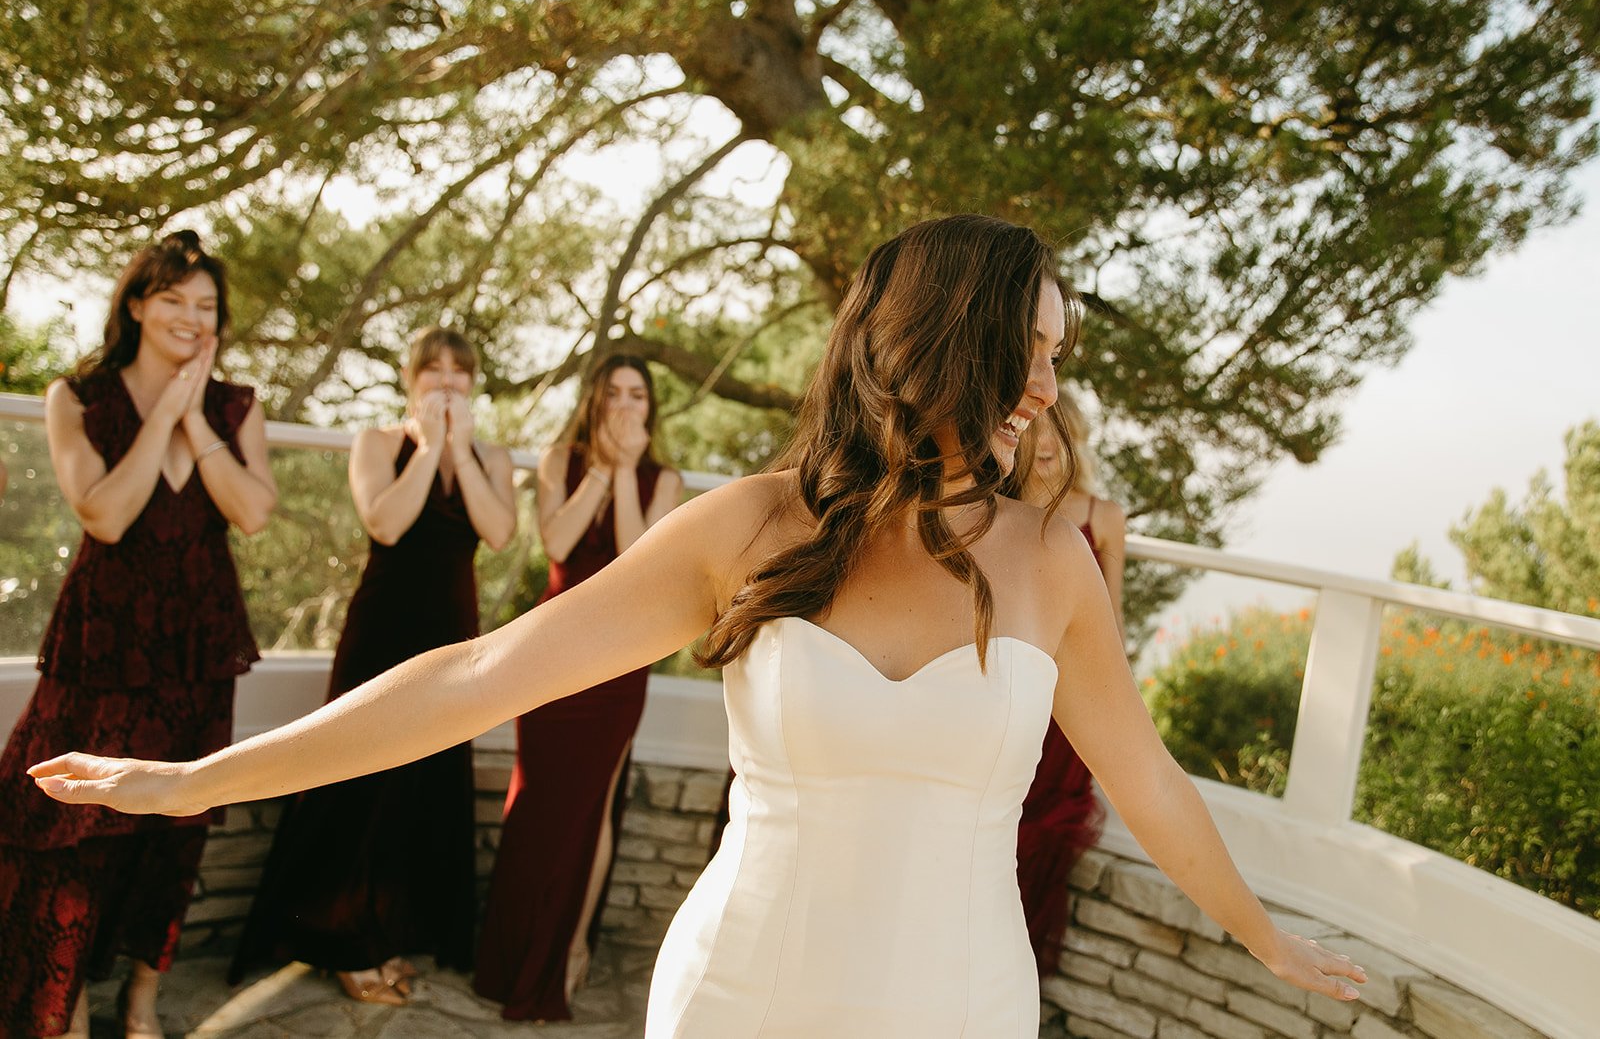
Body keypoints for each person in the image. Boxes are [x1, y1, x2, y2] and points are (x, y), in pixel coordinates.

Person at [32, 215, 1365, 1038]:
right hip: (745, 993)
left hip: (959, 1005)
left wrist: (1266, 937)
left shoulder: (1052, 558)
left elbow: (1147, 776)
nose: (1050, 382)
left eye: (1059, 352)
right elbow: (476, 671)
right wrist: (197, 777)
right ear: (938, 342)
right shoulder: (751, 526)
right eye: (1035, 345)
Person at [1, 230, 276, 1039]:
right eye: (173, 300)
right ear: (135, 303)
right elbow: (107, 514)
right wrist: (164, 418)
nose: (192, 317)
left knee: (174, 833)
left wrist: (198, 419)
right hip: (103, 640)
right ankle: (66, 1003)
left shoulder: (237, 406)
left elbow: (254, 512)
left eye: (206, 305)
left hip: (198, 641)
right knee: (72, 820)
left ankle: (143, 1002)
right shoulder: (77, 396)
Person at [228, 328, 516, 1004]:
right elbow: (385, 522)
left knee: (424, 780)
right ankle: (337, 940)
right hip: (384, 628)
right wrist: (428, 449)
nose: (446, 380)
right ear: (410, 377)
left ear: (473, 382)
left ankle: (386, 930)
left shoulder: (491, 455)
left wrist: (460, 455)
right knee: (357, 776)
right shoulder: (377, 442)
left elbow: (500, 533)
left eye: (459, 370)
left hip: (452, 636)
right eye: (432, 369)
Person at [474, 354, 683, 1022]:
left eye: (638, 396)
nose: (626, 407)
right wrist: (599, 465)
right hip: (555, 647)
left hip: (620, 658)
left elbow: (635, 563)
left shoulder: (665, 477)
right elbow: (559, 541)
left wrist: (626, 470)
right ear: (594, 401)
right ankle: (506, 956)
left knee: (594, 806)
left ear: (652, 409)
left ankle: (567, 950)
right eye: (614, 394)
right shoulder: (560, 460)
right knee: (534, 797)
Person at [1010, 394, 1128, 975]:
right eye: (1039, 432)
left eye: (1063, 435)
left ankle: (1017, 970)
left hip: (1070, 697)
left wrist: (1115, 702)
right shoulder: (1001, 511)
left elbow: (1115, 619)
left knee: (1040, 830)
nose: (1050, 446)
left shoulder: (1102, 517)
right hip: (1014, 684)